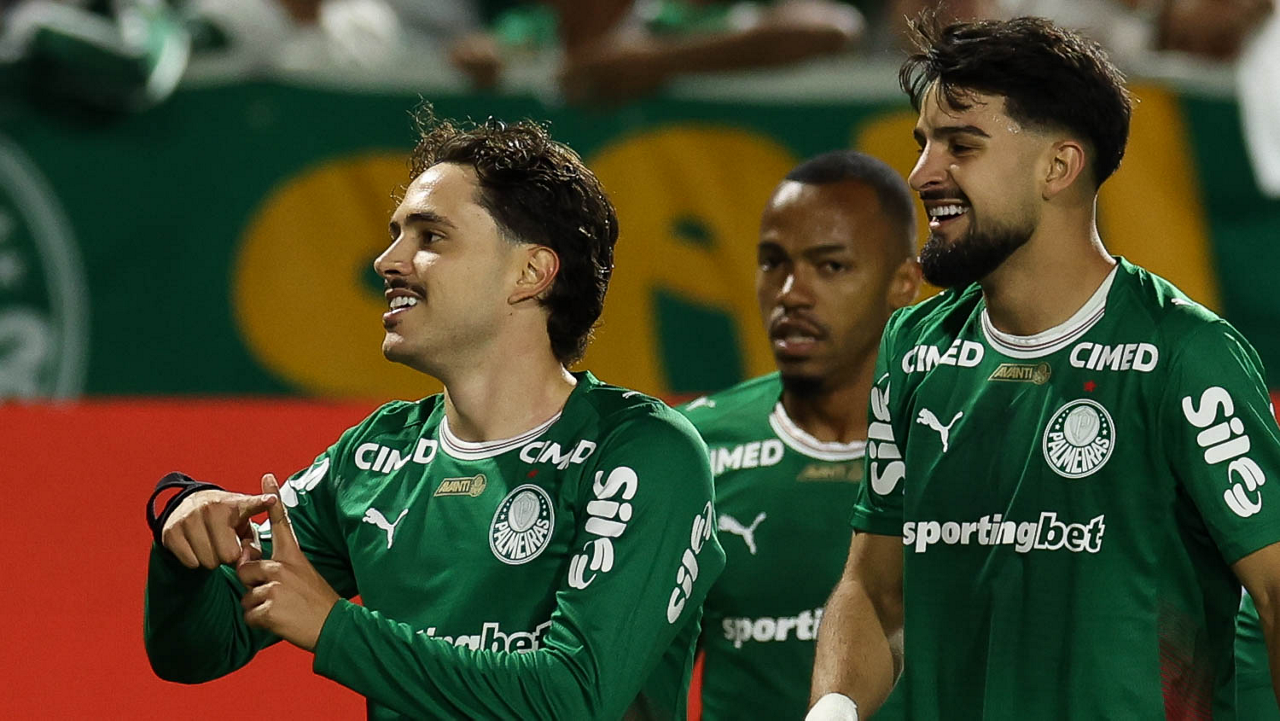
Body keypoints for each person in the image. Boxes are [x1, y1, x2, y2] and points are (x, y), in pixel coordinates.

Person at [143, 110, 726, 720]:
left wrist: (335, 628)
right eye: (396, 233)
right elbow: (197, 651)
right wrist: (184, 550)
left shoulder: (641, 450)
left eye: (430, 237)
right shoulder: (373, 456)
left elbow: (572, 697)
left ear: (530, 273)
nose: (386, 261)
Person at [808, 15, 1280, 721]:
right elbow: (875, 589)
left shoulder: (1185, 356)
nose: (921, 173)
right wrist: (833, 710)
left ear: (1058, 167)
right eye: (924, 143)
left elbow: (1275, 592)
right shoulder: (914, 346)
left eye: (959, 145)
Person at [679, 150, 920, 720]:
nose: (791, 293)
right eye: (773, 262)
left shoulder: (957, 440)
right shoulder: (694, 448)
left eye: (830, 266)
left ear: (903, 282)